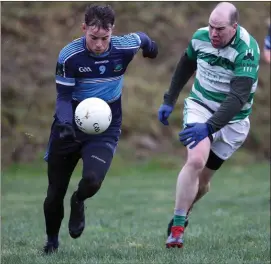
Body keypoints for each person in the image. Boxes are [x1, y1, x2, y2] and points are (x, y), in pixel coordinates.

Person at [43, 4, 158, 254]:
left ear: (112, 31)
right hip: (68, 125)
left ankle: (79, 200)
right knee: (54, 192)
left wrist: (151, 48)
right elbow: (63, 97)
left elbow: (144, 39)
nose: (98, 44)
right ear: (84, 28)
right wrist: (64, 124)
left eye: (104, 38)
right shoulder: (69, 56)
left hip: (105, 127)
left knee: (93, 180)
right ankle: (51, 242)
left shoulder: (124, 47)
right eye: (93, 38)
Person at [158, 2, 260, 248]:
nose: (214, 33)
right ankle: (178, 230)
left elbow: (237, 98)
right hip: (201, 106)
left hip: (233, 120)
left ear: (234, 27)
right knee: (195, 160)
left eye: (220, 29)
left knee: (202, 184)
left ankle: (184, 213)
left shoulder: (246, 50)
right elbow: (185, 65)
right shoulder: (201, 38)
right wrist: (169, 99)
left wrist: (210, 127)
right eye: (211, 26)